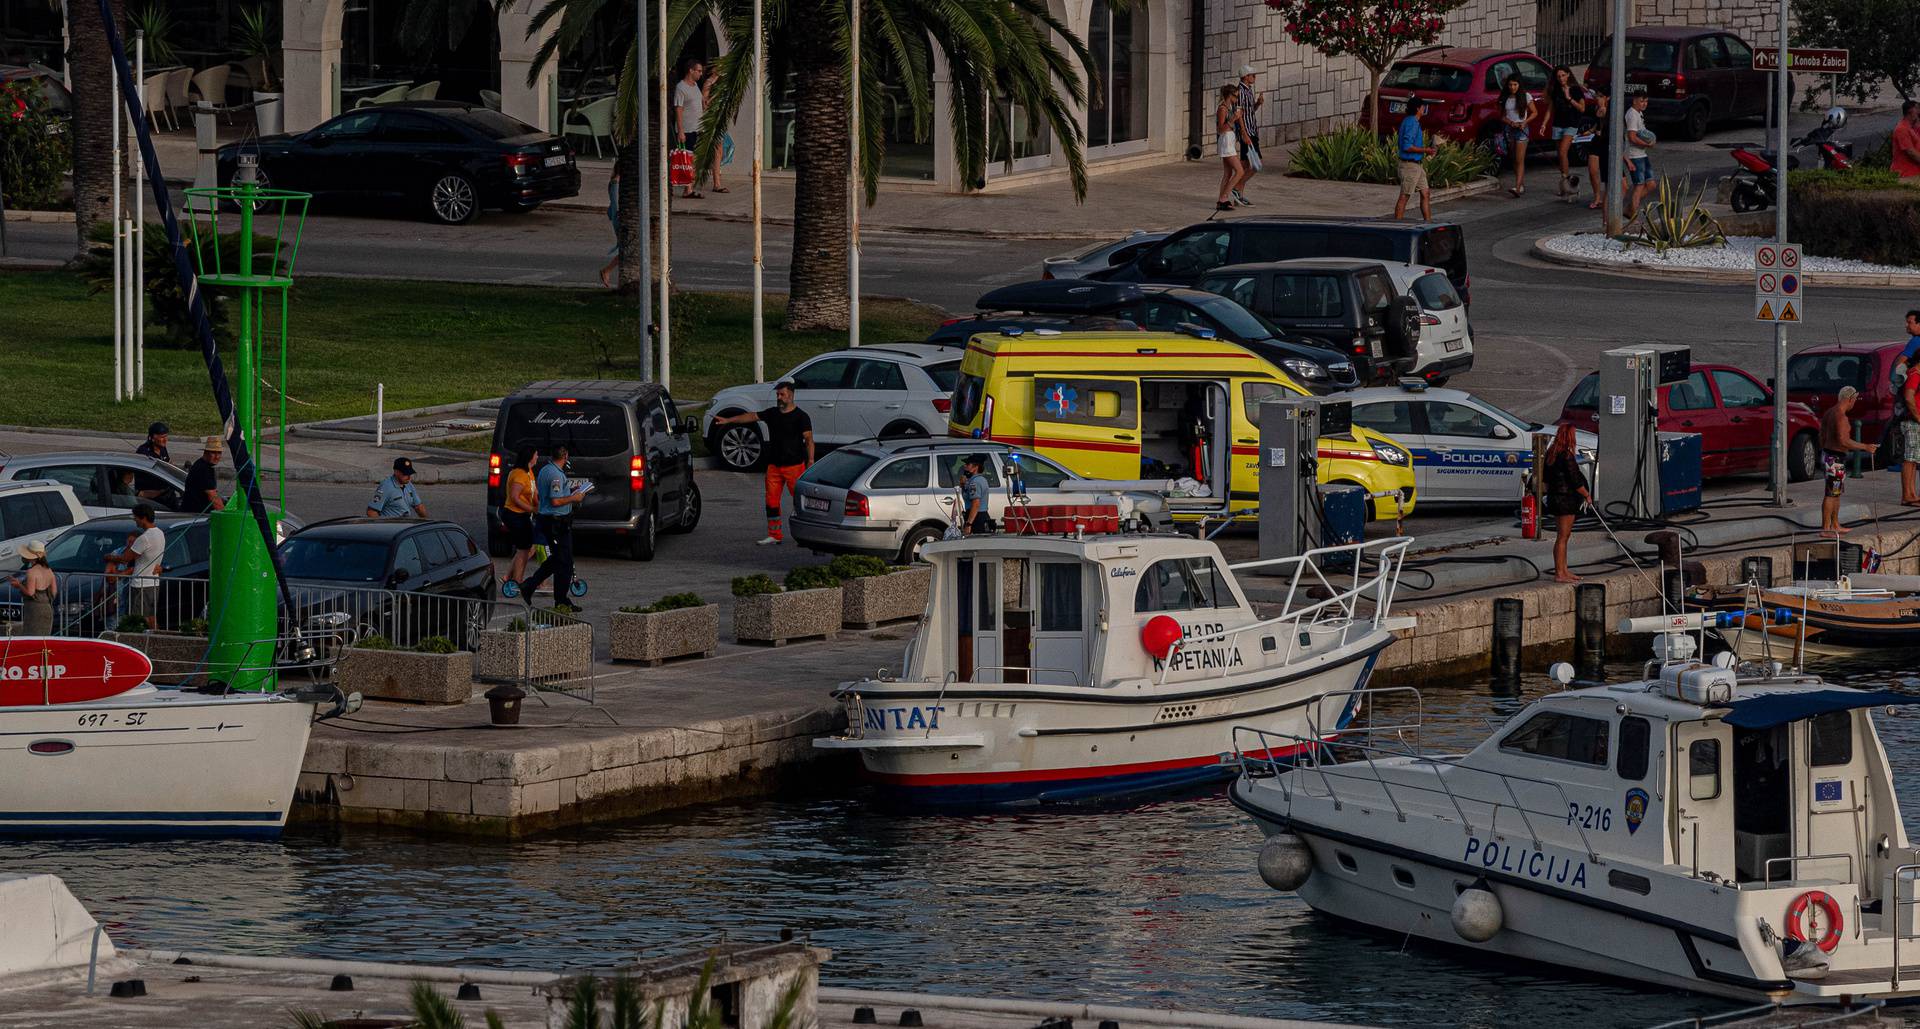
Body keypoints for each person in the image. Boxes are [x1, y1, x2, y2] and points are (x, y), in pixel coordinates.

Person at [714, 382, 815, 545]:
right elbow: (751, 416)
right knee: (771, 501)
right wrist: (728, 420)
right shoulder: (772, 413)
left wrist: (810, 462)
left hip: (795, 466)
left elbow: (809, 440)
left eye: (782, 394)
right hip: (774, 466)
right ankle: (774, 534)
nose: (779, 398)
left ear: (791, 395)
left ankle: (808, 535)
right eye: (777, 395)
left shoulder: (801, 417)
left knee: (800, 502)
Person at [519, 446, 588, 607]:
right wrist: (574, 497)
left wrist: (570, 490)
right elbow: (555, 501)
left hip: (554, 521)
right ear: (566, 456)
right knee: (563, 561)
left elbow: (552, 493)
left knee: (562, 560)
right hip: (555, 522)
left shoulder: (546, 469)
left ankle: (536, 588)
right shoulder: (556, 474)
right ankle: (557, 598)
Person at [1819, 386, 1879, 536]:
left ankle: (1835, 524)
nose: (1855, 403)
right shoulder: (1840, 416)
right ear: (1850, 399)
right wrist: (1865, 447)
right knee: (1831, 493)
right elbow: (1843, 440)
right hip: (1834, 458)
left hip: (1830, 455)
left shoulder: (1830, 412)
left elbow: (1821, 435)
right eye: (1855, 400)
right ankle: (1826, 528)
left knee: (1836, 493)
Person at [1541, 425, 1591, 583]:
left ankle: (1563, 569)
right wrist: (1587, 495)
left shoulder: (1551, 453)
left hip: (1554, 498)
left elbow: (1546, 480)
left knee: (1562, 536)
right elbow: (1575, 479)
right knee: (1563, 537)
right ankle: (1560, 573)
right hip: (1566, 500)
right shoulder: (1566, 455)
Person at [104, 503, 164, 630]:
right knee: (151, 618)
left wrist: (109, 557)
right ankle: (155, 641)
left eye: (136, 517)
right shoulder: (160, 533)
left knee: (138, 620)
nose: (135, 520)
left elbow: (125, 558)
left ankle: (140, 644)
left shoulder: (144, 538)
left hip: (140, 584)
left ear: (143, 518)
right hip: (153, 582)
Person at [501, 446, 540, 584]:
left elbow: (534, 493)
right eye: (536, 455)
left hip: (523, 515)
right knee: (524, 548)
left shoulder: (529, 472)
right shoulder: (519, 474)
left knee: (526, 547)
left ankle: (510, 578)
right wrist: (532, 509)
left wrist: (540, 505)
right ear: (529, 457)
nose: (537, 457)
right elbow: (515, 497)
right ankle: (517, 581)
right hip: (514, 514)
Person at [1393, 96, 1436, 221]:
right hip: (1409, 166)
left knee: (1425, 193)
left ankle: (1428, 224)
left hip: (1417, 165)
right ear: (1418, 108)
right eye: (1423, 107)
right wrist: (1426, 150)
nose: (1424, 109)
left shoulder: (1411, 121)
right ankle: (1397, 226)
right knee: (1404, 196)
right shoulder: (1412, 122)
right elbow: (1407, 146)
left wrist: (1425, 152)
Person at [1546, 65, 1585, 198]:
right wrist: (1544, 124)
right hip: (1558, 124)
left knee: (1563, 152)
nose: (1561, 78)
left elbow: (1582, 108)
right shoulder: (1555, 89)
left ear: (1568, 75)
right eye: (1558, 76)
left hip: (1571, 124)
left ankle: (1567, 182)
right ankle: (1564, 183)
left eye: (1563, 75)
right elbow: (1550, 108)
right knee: (1561, 156)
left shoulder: (1575, 89)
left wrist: (1569, 98)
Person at [673, 59, 707, 200]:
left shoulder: (695, 86)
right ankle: (688, 189)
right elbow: (678, 109)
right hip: (687, 129)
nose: (700, 74)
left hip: (697, 127)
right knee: (687, 158)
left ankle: (690, 187)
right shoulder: (681, 87)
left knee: (694, 159)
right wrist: (680, 130)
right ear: (690, 71)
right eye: (698, 71)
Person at [1498, 75, 1536, 197]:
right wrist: (1510, 122)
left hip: (1522, 129)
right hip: (1510, 129)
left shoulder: (1526, 96)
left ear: (1519, 85)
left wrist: (1524, 122)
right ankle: (1520, 183)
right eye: (1510, 85)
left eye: (1515, 84)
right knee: (1513, 158)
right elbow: (1502, 116)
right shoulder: (1505, 97)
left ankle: (1518, 187)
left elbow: (1535, 112)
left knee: (1520, 159)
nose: (1513, 87)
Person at [9, 541, 56, 636]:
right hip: (47, 608)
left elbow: (30, 592)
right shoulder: (49, 570)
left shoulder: (31, 572)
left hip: (34, 609)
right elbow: (54, 591)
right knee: (44, 639)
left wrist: (19, 585)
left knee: (31, 635)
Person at [1623, 92, 1657, 222]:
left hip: (1642, 154)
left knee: (1651, 184)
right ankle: (1633, 215)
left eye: (1646, 101)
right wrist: (1647, 144)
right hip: (1634, 155)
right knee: (1639, 185)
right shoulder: (1632, 115)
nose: (1644, 104)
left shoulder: (1639, 114)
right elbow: (1632, 137)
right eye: (1642, 101)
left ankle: (1629, 208)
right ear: (1634, 101)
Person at [1233, 65, 1264, 206]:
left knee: (1245, 165)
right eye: (1252, 75)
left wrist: (1257, 103)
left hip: (1252, 130)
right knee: (1255, 165)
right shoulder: (1240, 92)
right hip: (1248, 133)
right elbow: (1239, 115)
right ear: (1246, 76)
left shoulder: (1248, 91)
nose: (1254, 77)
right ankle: (1235, 187)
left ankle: (1239, 193)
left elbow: (1249, 112)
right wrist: (1244, 134)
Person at [1215, 84, 1247, 213]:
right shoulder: (1222, 109)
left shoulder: (1229, 108)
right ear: (1229, 95)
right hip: (1226, 141)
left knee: (1228, 173)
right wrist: (1233, 119)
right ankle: (1224, 197)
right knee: (1240, 171)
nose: (1236, 99)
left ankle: (1221, 201)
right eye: (1235, 96)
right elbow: (1220, 129)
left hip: (1230, 140)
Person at [1579, 89, 1611, 215]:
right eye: (1597, 96)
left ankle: (1606, 197)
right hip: (1596, 140)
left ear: (1606, 98)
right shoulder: (1595, 108)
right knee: (1592, 170)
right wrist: (1589, 131)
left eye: (1600, 96)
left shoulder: (1608, 110)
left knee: (1606, 172)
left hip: (1605, 142)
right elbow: (1596, 125)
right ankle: (1597, 196)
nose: (1598, 99)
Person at [182, 436, 224, 513]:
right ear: (206, 452)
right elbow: (213, 498)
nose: (217, 456)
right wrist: (224, 515)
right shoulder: (203, 469)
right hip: (195, 516)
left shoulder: (204, 465)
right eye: (213, 453)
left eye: (219, 453)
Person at [599, 166, 622, 289]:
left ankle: (611, 273)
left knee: (625, 249)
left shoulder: (614, 182)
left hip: (616, 217)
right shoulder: (616, 184)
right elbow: (616, 204)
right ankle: (607, 270)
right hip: (619, 219)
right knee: (626, 250)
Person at [959, 454, 994, 536]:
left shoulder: (975, 482)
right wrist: (963, 485)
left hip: (977, 518)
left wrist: (969, 524)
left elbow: (975, 504)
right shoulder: (978, 480)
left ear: (976, 467)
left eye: (968, 464)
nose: (965, 466)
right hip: (977, 516)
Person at [1892, 100, 1920, 179]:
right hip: (1906, 174)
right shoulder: (1902, 129)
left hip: (1913, 172)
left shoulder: (1910, 127)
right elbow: (1911, 152)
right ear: (1910, 111)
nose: (1918, 112)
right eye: (1917, 109)